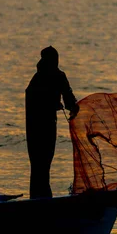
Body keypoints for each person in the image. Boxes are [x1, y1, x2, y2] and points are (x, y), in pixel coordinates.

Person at [25, 46, 79, 199]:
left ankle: (38, 196)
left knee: (37, 164)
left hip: (33, 126)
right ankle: (42, 197)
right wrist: (60, 105)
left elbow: (35, 97)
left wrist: (57, 104)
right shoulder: (58, 75)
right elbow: (68, 99)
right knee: (43, 162)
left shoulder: (37, 77)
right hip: (45, 125)